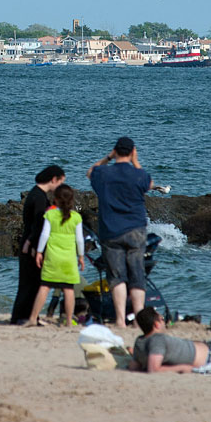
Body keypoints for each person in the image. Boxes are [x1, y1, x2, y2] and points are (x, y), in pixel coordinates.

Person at [87, 137, 152, 327]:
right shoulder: (138, 175)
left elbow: (89, 172)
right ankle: (139, 318)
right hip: (136, 229)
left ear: (116, 151)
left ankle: (121, 320)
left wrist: (108, 157)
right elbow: (149, 184)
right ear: (132, 152)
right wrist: (136, 161)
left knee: (116, 276)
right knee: (137, 274)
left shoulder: (103, 174)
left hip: (111, 230)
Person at [10, 165, 66, 324]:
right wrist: (36, 247)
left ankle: (26, 316)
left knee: (30, 283)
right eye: (60, 182)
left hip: (29, 242)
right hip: (32, 245)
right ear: (54, 179)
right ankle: (21, 317)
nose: (60, 186)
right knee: (29, 283)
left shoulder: (36, 194)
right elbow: (38, 224)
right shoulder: (39, 197)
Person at [25, 184, 85, 327]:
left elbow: (44, 235)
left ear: (56, 200)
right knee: (68, 289)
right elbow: (79, 239)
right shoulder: (75, 217)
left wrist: (39, 252)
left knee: (44, 287)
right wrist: (81, 256)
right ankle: (69, 321)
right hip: (69, 259)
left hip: (52, 257)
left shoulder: (50, 215)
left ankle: (33, 318)